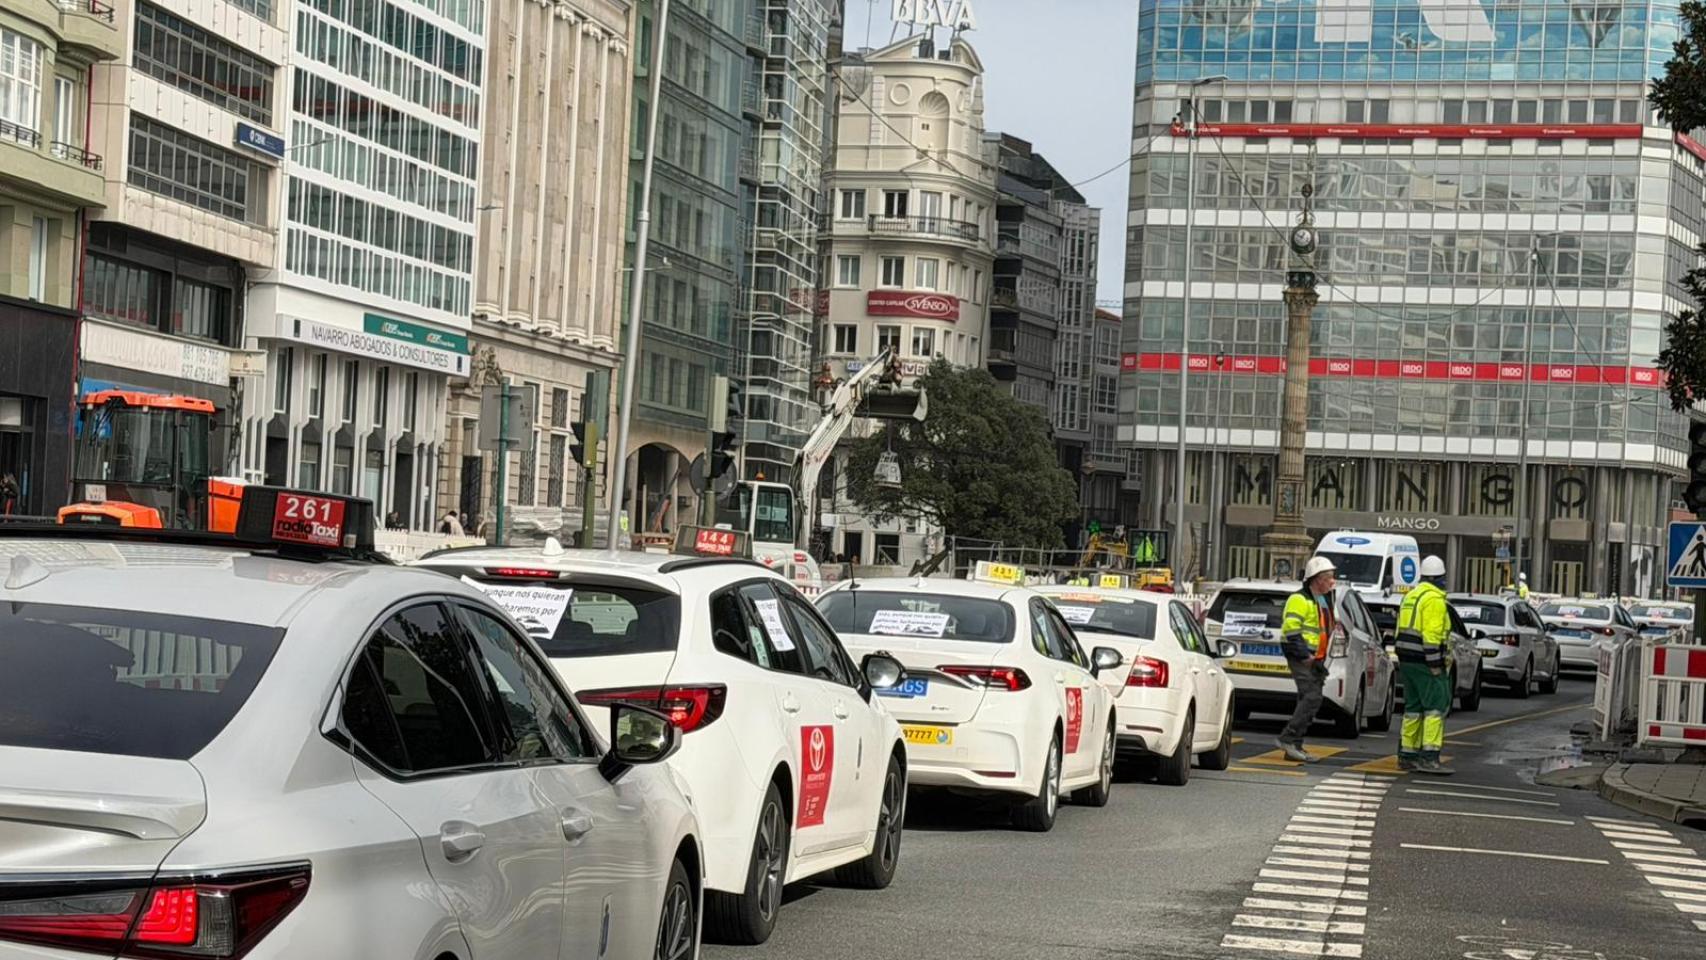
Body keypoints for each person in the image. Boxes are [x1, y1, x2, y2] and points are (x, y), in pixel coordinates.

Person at [1396, 555, 1455, 775]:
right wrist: (1435, 664)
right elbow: (1431, 636)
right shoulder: (1434, 600)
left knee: (1413, 709)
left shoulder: (1411, 596)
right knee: (1434, 709)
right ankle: (1429, 757)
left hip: (1406, 660)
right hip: (1425, 661)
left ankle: (1407, 755)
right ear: (1440, 578)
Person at [1278, 556, 1338, 762]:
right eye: (1329, 578)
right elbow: (1291, 629)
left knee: (1308, 699)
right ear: (1316, 579)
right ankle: (1289, 738)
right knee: (1312, 697)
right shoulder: (1299, 599)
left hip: (1316, 657)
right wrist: (1305, 656)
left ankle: (1294, 746)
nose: (1332, 581)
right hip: (1302, 655)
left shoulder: (1321, 599)